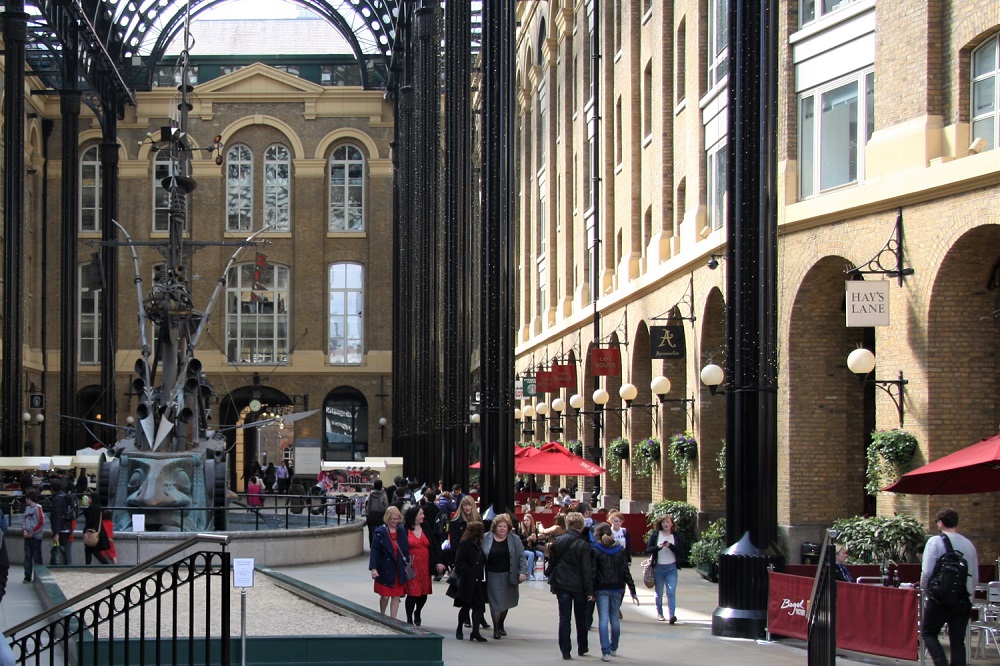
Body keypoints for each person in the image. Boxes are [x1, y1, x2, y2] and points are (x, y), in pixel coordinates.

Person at [920, 507, 978, 666]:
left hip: (939, 598)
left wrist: (926, 590)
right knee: (958, 642)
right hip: (962, 599)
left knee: (928, 632)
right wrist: (969, 596)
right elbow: (974, 575)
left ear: (940, 523)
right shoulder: (969, 544)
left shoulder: (935, 542)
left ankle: (941, 663)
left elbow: (927, 571)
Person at [547, 511, 595, 660]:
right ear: (581, 526)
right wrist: (590, 590)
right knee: (581, 616)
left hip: (562, 583)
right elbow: (587, 570)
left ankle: (565, 650)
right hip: (579, 585)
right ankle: (582, 646)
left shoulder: (558, 541)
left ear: (567, 524)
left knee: (564, 617)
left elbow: (552, 564)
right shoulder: (583, 544)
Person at [482, 513, 528, 639]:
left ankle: (501, 624)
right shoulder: (486, 537)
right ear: (495, 527)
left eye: (504, 526)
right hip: (492, 575)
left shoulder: (515, 539)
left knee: (506, 602)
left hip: (509, 575)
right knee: (495, 603)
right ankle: (496, 628)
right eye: (499, 526)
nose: (502, 528)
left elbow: (521, 556)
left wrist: (523, 572)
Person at [592, 522, 629, 661]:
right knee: (614, 618)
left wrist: (590, 590)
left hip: (601, 588)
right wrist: (632, 589)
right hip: (616, 587)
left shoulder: (596, 550)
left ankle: (605, 651)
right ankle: (614, 647)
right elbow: (625, 570)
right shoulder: (620, 549)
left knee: (603, 619)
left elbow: (593, 572)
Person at [403, 505, 445, 625]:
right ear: (414, 516)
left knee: (423, 594)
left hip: (425, 565)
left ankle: (418, 611)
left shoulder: (426, 526)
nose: (423, 516)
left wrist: (439, 561)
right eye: (421, 514)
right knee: (412, 593)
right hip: (411, 566)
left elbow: (434, 545)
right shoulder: (405, 529)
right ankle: (409, 619)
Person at [450, 521, 489, 642]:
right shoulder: (466, 544)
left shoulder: (479, 545)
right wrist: (468, 572)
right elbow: (459, 562)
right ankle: (459, 628)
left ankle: (475, 632)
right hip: (467, 581)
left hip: (477, 581)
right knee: (466, 606)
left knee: (478, 607)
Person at [368, 506, 409, 619]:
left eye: (397, 519)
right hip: (385, 567)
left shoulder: (401, 531)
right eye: (393, 519)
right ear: (387, 518)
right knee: (385, 596)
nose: (395, 521)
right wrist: (374, 568)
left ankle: (393, 619)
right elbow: (375, 551)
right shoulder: (380, 532)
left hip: (398, 567)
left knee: (396, 596)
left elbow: (405, 549)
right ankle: (382, 615)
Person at [646, 513, 684, 624]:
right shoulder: (656, 535)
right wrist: (658, 547)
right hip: (659, 567)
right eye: (663, 522)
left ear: (672, 524)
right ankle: (660, 613)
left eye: (668, 522)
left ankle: (672, 615)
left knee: (671, 592)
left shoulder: (675, 536)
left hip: (671, 567)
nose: (665, 524)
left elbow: (680, 551)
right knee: (659, 592)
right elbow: (648, 549)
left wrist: (670, 546)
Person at [607, 510, 639, 605]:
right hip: (611, 559)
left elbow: (628, 546)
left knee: (623, 582)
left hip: (622, 559)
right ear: (611, 521)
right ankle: (612, 603)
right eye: (616, 521)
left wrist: (628, 559)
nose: (618, 523)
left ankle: (617, 605)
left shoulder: (624, 531)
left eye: (620, 521)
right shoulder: (609, 531)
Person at [49, 478, 76, 565]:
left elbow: (56, 516)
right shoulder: (65, 497)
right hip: (68, 527)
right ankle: (68, 567)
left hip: (60, 529)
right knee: (66, 552)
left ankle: (63, 568)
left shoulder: (56, 500)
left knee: (60, 552)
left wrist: (56, 533)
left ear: (52, 488)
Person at [21, 490, 44, 583]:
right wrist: (24, 530)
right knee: (28, 557)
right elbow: (23, 520)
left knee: (36, 557)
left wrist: (32, 532)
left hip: (36, 537)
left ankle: (38, 577)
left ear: (29, 498)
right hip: (28, 535)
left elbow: (41, 522)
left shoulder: (38, 508)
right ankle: (27, 576)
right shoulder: (27, 509)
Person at [82, 493, 111, 565]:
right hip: (98, 531)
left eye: (89, 498)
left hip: (92, 531)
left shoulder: (92, 508)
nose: (88, 499)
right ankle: (90, 565)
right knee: (92, 550)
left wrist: (85, 529)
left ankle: (105, 564)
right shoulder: (99, 508)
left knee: (92, 551)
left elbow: (90, 520)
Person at [519, 513, 546, 580]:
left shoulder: (534, 530)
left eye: (527, 520)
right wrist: (527, 540)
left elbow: (535, 544)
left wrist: (534, 540)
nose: (526, 522)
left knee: (541, 554)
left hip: (531, 548)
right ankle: (529, 573)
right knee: (531, 554)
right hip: (523, 549)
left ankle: (541, 573)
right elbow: (519, 543)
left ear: (531, 521)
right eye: (524, 520)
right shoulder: (521, 530)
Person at [364, 479, 389, 548]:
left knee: (372, 532)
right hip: (381, 517)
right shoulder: (383, 495)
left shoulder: (370, 495)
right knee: (382, 532)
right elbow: (386, 507)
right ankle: (380, 546)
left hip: (371, 516)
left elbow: (366, 505)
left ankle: (372, 546)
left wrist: (367, 513)